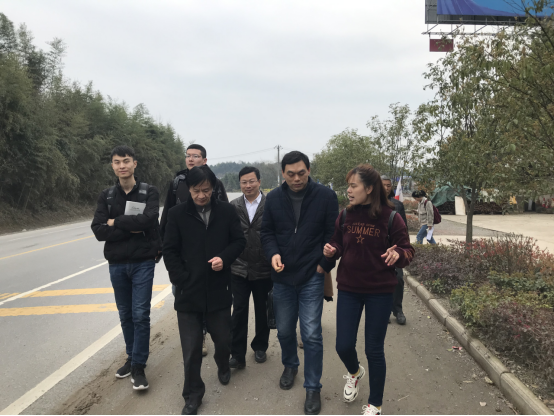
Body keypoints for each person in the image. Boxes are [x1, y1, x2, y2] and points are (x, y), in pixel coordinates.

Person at [324, 164, 415, 416]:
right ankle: (355, 372)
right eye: (348, 185)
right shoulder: (345, 215)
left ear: (369, 188)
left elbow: (408, 251)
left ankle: (375, 405)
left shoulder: (391, 217)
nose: (349, 190)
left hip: (380, 291)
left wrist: (398, 254)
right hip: (349, 288)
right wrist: (332, 249)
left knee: (373, 349)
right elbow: (338, 242)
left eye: (353, 186)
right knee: (343, 345)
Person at [163, 166, 246, 416]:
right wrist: (181, 279)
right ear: (188, 189)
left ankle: (223, 364)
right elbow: (169, 250)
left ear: (213, 188)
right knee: (191, 349)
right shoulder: (177, 214)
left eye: (206, 190)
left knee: (223, 340)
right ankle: (192, 395)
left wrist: (225, 258)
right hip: (188, 292)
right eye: (196, 190)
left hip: (219, 289)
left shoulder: (226, 211)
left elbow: (239, 241)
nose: (201, 195)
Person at [261, 151, 338, 416]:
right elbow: (267, 232)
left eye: (301, 173)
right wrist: (273, 254)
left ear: (309, 171)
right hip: (282, 276)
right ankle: (290, 364)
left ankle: (313, 386)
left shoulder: (326, 197)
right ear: (283, 173)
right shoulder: (273, 198)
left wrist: (324, 265)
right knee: (284, 331)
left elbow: (333, 235)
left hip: (311, 275)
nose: (296, 179)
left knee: (312, 333)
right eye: (291, 174)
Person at [91, 145, 162, 391]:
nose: (122, 166)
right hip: (117, 263)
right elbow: (98, 230)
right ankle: (131, 357)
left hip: (143, 262)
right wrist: (132, 227)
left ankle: (139, 366)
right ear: (112, 166)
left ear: (134, 164)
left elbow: (149, 220)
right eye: (117, 162)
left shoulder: (149, 192)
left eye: (126, 161)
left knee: (140, 314)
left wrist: (116, 222)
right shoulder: (107, 196)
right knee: (125, 314)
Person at [160, 144, 229, 357]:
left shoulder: (215, 183)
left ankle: (208, 333)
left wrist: (224, 255)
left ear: (204, 160)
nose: (190, 159)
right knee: (182, 295)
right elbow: (167, 215)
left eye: (195, 156)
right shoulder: (177, 183)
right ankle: (198, 335)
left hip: (211, 257)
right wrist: (162, 246)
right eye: (188, 155)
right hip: (184, 257)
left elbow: (226, 219)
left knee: (211, 301)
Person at [229, 167, 273, 370]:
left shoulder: (270, 204)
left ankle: (260, 346)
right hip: (239, 267)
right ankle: (237, 354)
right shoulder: (233, 206)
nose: (248, 185)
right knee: (239, 310)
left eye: (251, 181)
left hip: (264, 266)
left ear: (259, 182)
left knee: (262, 309)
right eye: (244, 182)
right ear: (240, 184)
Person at [381, 176, 408, 326]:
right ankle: (384, 311)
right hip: (379, 250)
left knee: (398, 279)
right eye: (383, 185)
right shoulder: (372, 204)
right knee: (381, 282)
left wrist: (402, 249)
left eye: (388, 185)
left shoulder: (397, 205)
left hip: (395, 249)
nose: (386, 188)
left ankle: (398, 310)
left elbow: (404, 229)